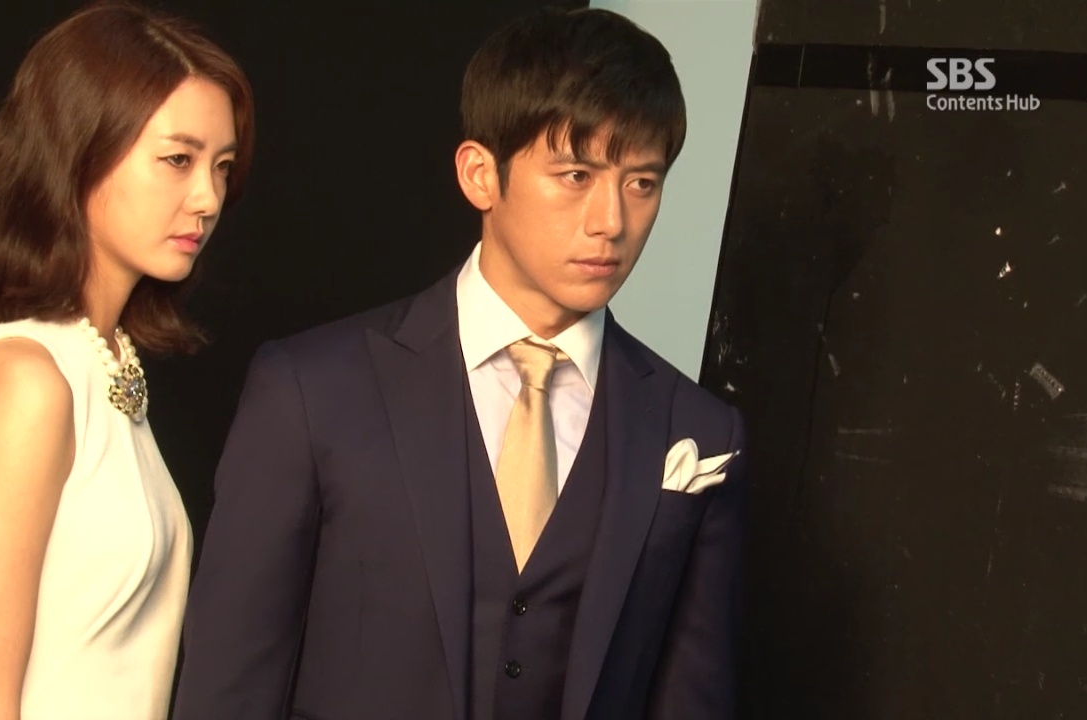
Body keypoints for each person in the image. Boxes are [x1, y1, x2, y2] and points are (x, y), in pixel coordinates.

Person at [174, 7, 746, 720]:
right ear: (480, 175)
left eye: (642, 183)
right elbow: (229, 690)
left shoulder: (698, 430)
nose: (612, 221)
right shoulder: (312, 390)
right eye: (576, 175)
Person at [0, 2, 254, 717]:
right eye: (178, 160)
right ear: (79, 150)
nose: (208, 198)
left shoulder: (100, 358)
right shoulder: (22, 376)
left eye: (221, 167)